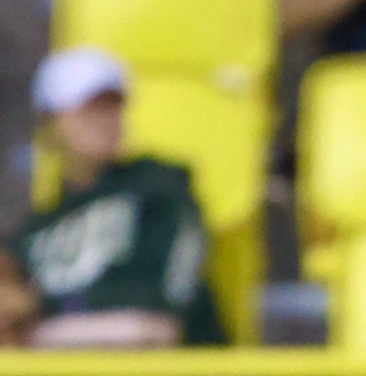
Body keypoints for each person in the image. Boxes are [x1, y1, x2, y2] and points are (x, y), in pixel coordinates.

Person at [16, 47, 223, 348]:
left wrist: (42, 329)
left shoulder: (159, 187)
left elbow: (154, 321)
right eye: (88, 109)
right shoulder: (36, 230)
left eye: (113, 106)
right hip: (67, 371)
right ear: (50, 123)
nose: (104, 119)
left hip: (169, 369)